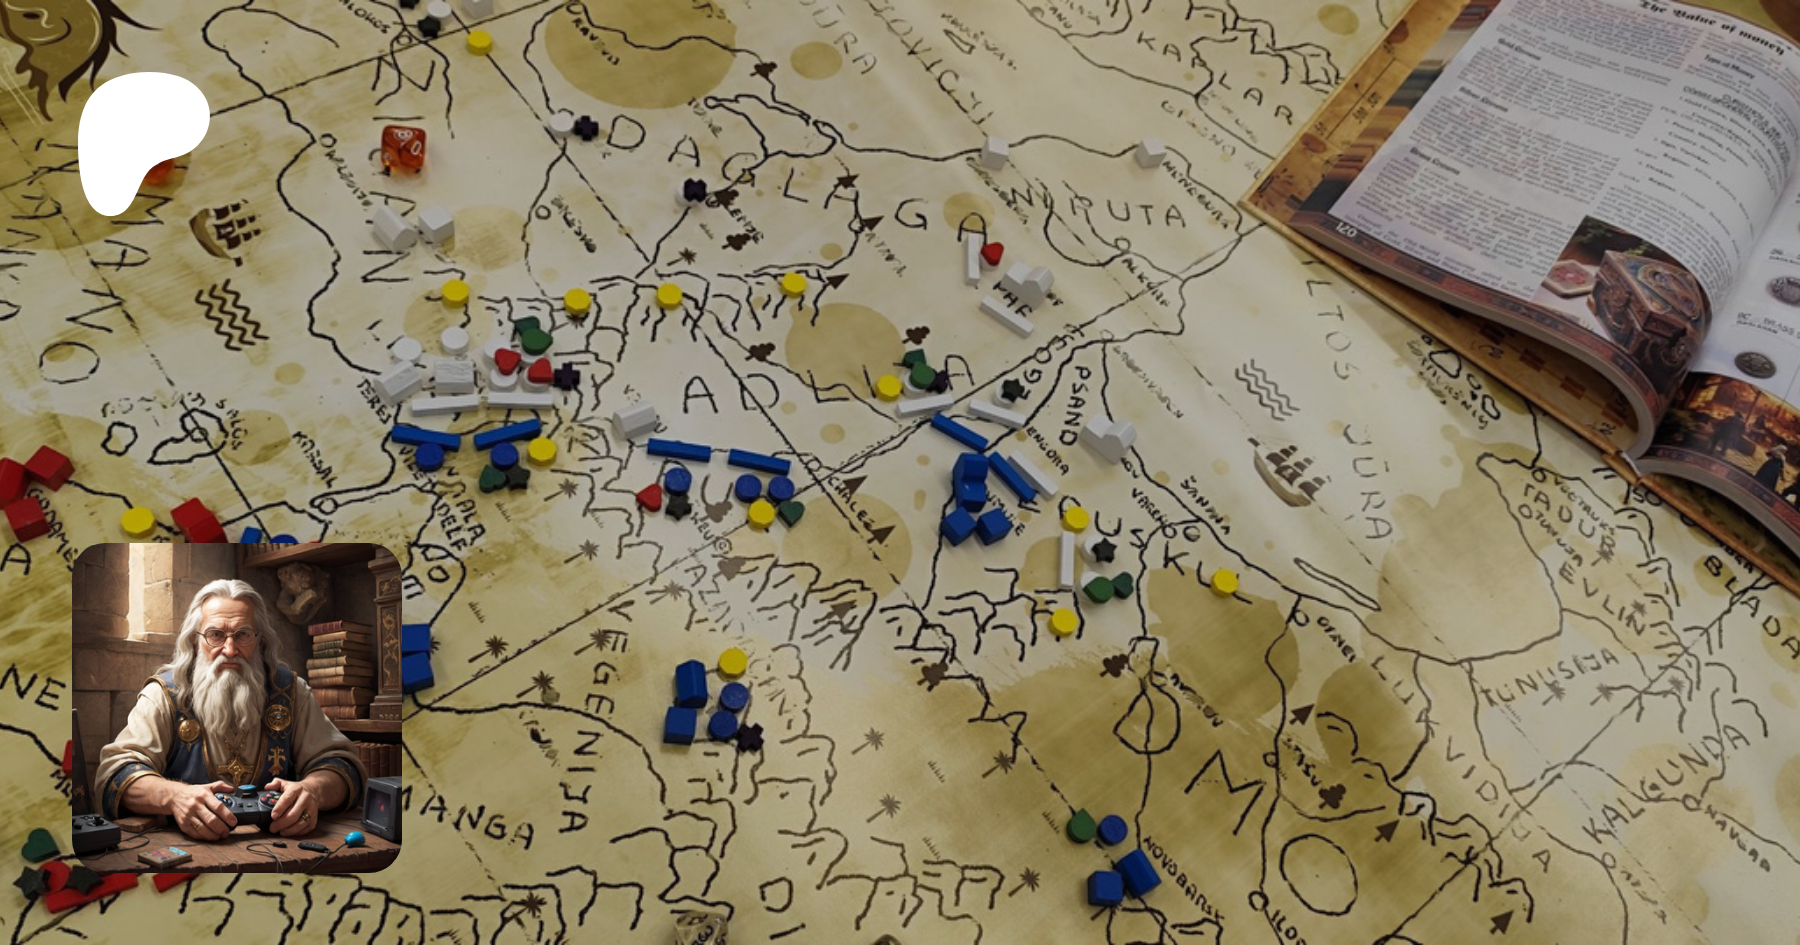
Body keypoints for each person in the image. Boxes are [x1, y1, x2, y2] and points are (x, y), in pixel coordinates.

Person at [96, 580, 367, 841]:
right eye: (215, 635)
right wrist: (175, 796)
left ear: (260, 642)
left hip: (282, 845)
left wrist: (312, 791)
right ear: (195, 642)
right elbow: (115, 774)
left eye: (243, 635)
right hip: (187, 847)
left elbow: (344, 767)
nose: (229, 649)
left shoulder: (291, 693)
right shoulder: (164, 696)